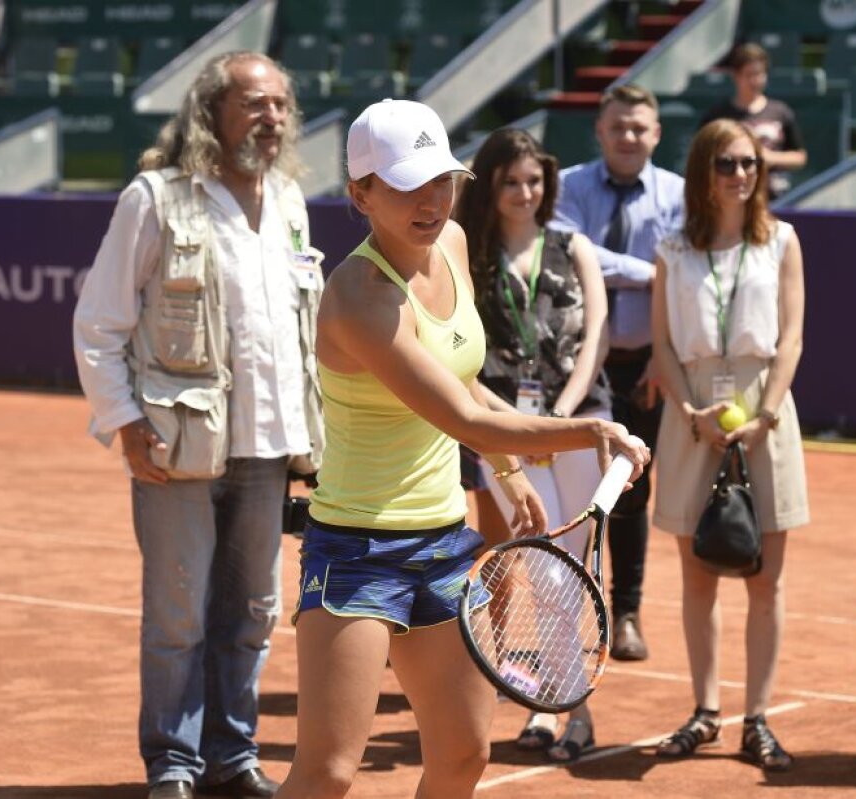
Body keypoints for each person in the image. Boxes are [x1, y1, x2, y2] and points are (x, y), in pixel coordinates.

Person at [275, 99, 649, 798]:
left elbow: (466, 377)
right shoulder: (358, 297)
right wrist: (592, 429)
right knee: (327, 771)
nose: (431, 200)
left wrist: (507, 473)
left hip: (443, 543)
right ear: (361, 193)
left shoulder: (449, 242)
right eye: (408, 185)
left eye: (441, 180)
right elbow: (463, 418)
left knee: (463, 753)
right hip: (357, 550)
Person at [73, 51, 323, 799]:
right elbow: (98, 324)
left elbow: (298, 336)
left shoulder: (289, 201)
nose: (271, 119)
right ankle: (174, 764)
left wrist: (310, 445)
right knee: (178, 612)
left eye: (280, 104)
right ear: (211, 111)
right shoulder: (155, 199)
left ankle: (231, 754)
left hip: (269, 448)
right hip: (178, 447)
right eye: (254, 104)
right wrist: (124, 421)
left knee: (253, 611)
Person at [649, 118, 809, 772]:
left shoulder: (782, 241)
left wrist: (764, 416)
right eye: (726, 164)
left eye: (749, 163)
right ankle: (705, 709)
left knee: (765, 581)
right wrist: (692, 415)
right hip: (693, 413)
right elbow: (661, 343)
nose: (740, 175)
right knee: (698, 577)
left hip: (765, 412)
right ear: (703, 172)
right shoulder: (672, 249)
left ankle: (759, 719)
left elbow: (792, 337)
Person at [453, 127, 611, 763]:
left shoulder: (575, 247)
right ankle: (566, 709)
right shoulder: (466, 255)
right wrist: (518, 427)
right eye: (511, 181)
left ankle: (560, 704)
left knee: (577, 566)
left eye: (535, 181)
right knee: (545, 571)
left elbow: (597, 333)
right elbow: (458, 356)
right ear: (490, 186)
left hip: (580, 426)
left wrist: (563, 416)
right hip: (502, 431)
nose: (524, 192)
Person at [552, 83, 685, 662]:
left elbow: (684, 273)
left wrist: (664, 352)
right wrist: (651, 271)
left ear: (656, 135)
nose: (629, 137)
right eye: (618, 127)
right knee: (570, 493)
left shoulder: (679, 194)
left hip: (646, 365)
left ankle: (624, 611)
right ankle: (562, 616)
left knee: (633, 490)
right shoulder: (567, 187)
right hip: (578, 367)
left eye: (640, 128)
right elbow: (575, 252)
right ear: (600, 132)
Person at [700, 42, 808, 199]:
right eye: (749, 74)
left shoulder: (780, 112)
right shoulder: (718, 115)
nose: (755, 80)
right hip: (732, 194)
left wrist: (770, 157)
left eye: (759, 74)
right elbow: (702, 154)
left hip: (774, 194)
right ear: (736, 76)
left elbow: (800, 157)